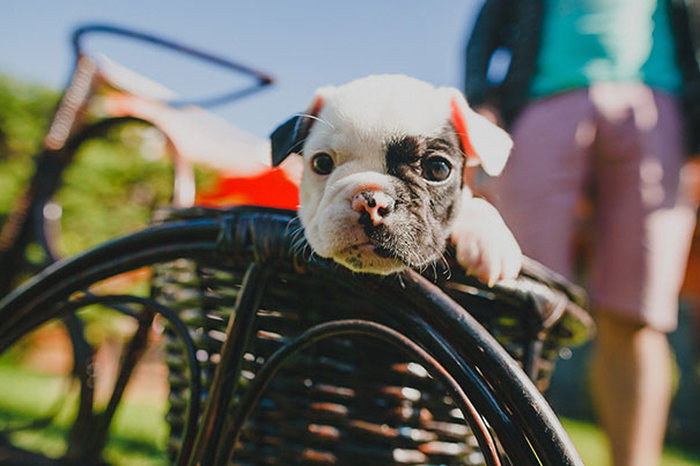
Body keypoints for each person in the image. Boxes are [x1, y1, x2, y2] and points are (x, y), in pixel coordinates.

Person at [464, 1, 699, 465]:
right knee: (518, 302)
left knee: (637, 314)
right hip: (541, 103)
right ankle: (504, 456)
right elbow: (491, 21)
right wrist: (481, 99)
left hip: (657, 108)